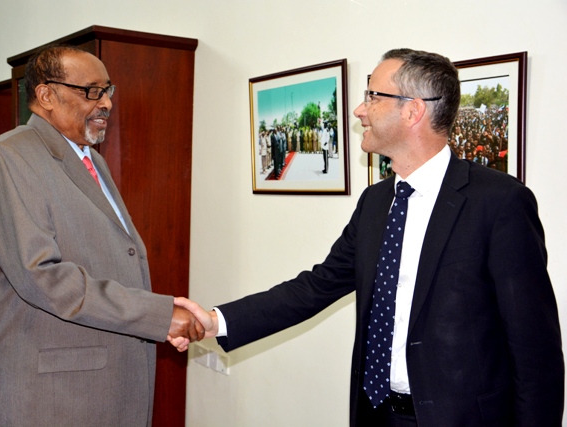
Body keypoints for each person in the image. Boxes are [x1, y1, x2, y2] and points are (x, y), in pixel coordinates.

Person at [171, 48, 564, 426]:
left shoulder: (499, 202)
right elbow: (317, 286)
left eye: (373, 96)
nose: (359, 110)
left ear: (413, 110)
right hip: (375, 414)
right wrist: (217, 321)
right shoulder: (376, 201)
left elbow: (535, 351)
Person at [0, 45, 203, 427]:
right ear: (46, 95)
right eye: (92, 91)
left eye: (108, 91)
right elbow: (42, 276)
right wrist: (155, 315)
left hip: (99, 384)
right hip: (46, 395)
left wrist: (158, 316)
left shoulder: (92, 160)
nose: (106, 103)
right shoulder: (10, 155)